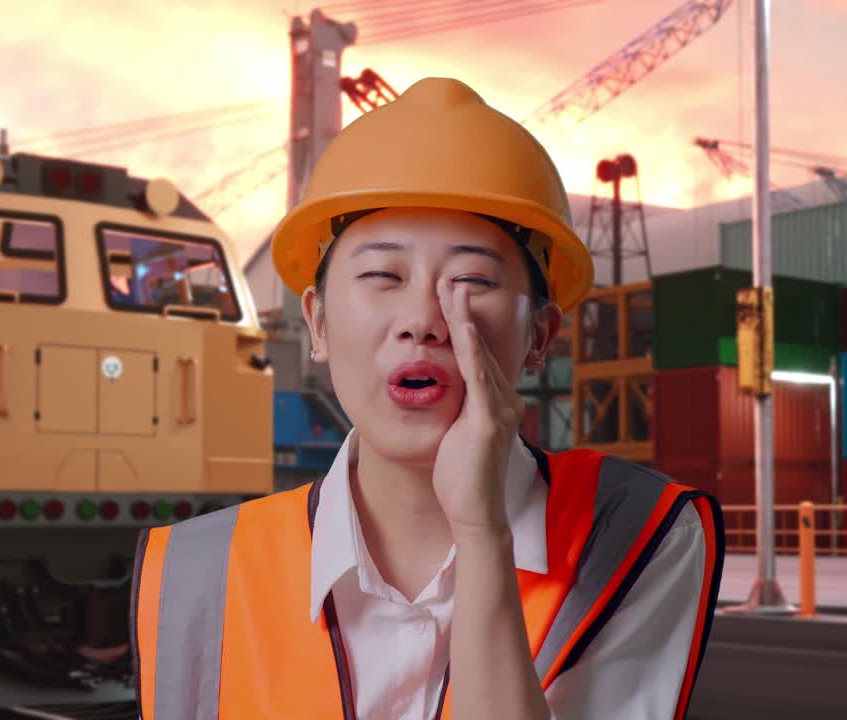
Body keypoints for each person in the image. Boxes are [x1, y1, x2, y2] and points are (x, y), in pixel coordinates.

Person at [131, 77, 724, 720]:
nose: (424, 319)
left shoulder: (637, 535)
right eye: (382, 276)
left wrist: (482, 535)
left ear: (539, 336)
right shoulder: (196, 572)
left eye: (471, 279)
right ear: (319, 323)